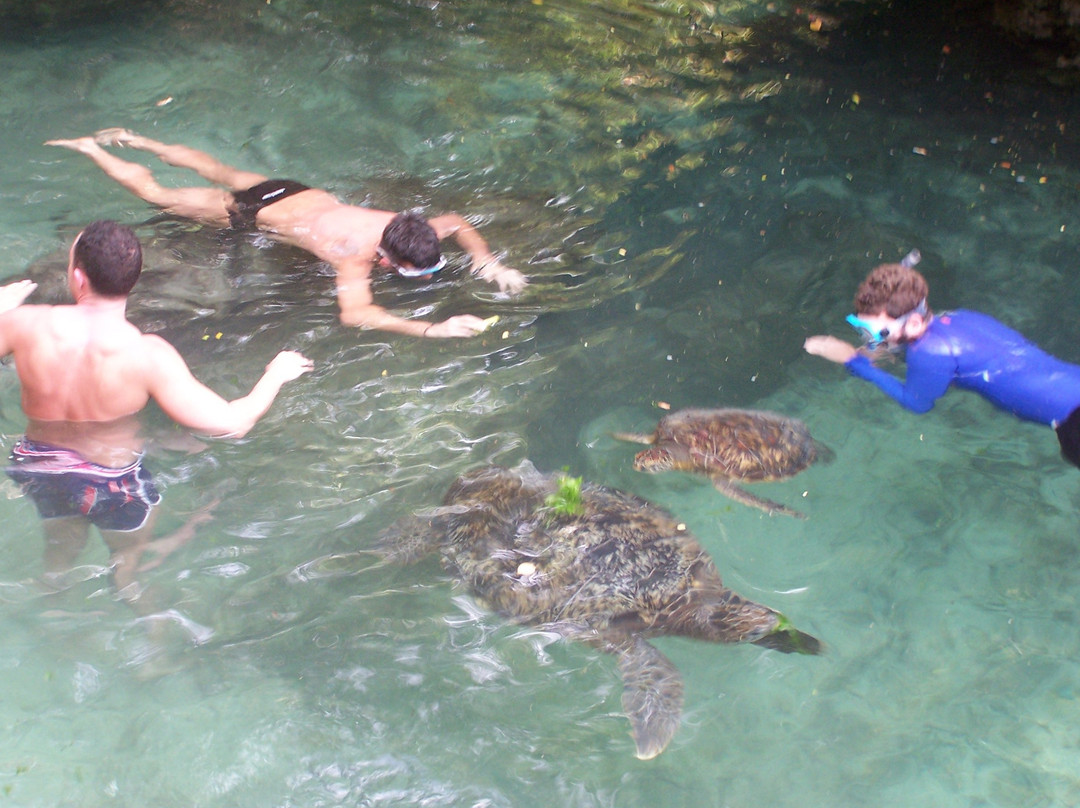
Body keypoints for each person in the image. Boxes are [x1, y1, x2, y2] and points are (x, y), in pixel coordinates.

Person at [0, 220, 313, 606]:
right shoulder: (147, 356)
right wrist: (275, 375)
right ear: (132, 281)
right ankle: (136, 608)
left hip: (40, 468)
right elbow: (234, 424)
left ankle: (52, 602)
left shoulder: (23, 325)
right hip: (112, 484)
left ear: (77, 278)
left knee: (57, 561)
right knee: (127, 567)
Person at [46, 128, 528, 339]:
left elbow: (460, 224)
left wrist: (489, 261)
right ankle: (93, 150)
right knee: (158, 197)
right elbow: (355, 315)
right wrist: (431, 327)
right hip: (253, 215)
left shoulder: (413, 228)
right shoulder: (355, 258)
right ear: (386, 259)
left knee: (217, 167)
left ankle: (142, 139)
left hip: (293, 190)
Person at [803, 255, 1080, 467]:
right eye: (862, 330)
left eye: (876, 333)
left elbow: (917, 403)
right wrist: (889, 349)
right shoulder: (959, 319)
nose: (871, 340)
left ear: (912, 323)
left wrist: (854, 362)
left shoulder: (930, 354)